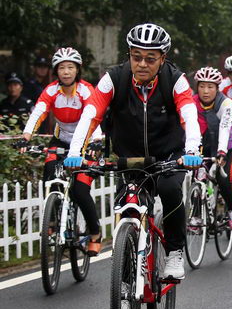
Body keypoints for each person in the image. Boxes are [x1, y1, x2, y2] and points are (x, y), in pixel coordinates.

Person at [64, 23, 202, 281]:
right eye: (136, 56)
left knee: (170, 190)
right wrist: (75, 151)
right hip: (130, 157)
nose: (142, 63)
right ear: (128, 55)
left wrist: (192, 149)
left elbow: (189, 114)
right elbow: (90, 114)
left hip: (168, 155)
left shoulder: (175, 79)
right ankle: (127, 269)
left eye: (150, 59)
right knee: (127, 202)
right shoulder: (114, 78)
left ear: (162, 59)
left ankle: (174, 252)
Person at [18, 48, 103, 254]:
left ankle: (95, 233)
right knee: (49, 176)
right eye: (62, 68)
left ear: (77, 70)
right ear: (56, 71)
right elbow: (38, 112)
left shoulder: (86, 90)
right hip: (62, 139)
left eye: (70, 67)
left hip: (87, 141)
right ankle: (53, 220)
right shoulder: (51, 90)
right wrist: (25, 136)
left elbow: (95, 116)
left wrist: (96, 142)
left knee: (80, 191)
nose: (66, 72)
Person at [193, 67, 232, 230]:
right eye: (202, 86)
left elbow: (225, 127)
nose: (205, 91)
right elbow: (188, 129)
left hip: (227, 145)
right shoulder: (192, 103)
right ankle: (196, 215)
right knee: (198, 177)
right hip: (205, 145)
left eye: (210, 87)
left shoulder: (225, 103)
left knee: (223, 178)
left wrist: (221, 152)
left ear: (217, 88)